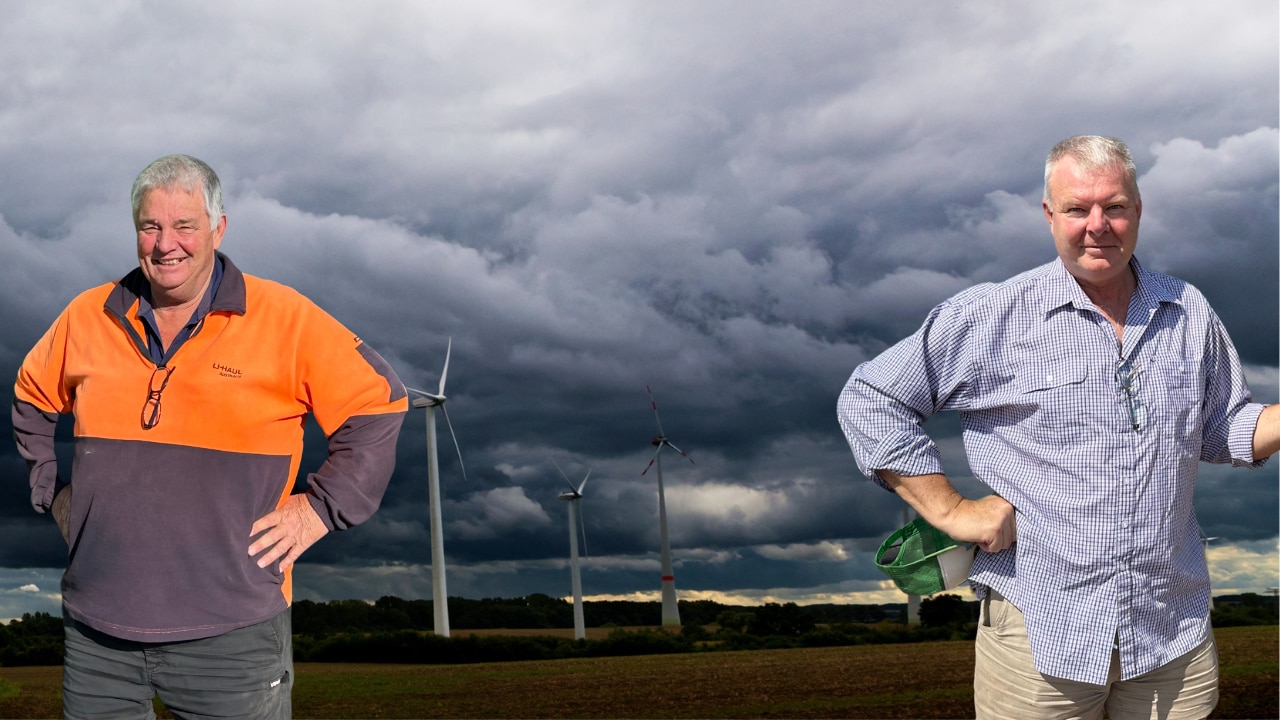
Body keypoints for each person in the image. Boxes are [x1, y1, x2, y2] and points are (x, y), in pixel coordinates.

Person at [837, 135, 1279, 719]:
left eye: (1115, 207)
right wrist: (950, 510)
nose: (1098, 225)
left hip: (1173, 632)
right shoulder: (992, 315)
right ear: (1050, 215)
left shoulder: (1188, 310)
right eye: (1078, 209)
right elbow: (871, 396)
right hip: (1041, 632)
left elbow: (1221, 428)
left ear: (1138, 211)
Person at [12, 154, 409, 718]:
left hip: (233, 637)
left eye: (184, 226)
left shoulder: (284, 317)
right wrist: (50, 491)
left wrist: (322, 508)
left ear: (218, 228)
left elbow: (379, 400)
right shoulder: (87, 315)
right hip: (96, 636)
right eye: (150, 226)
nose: (165, 243)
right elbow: (31, 393)